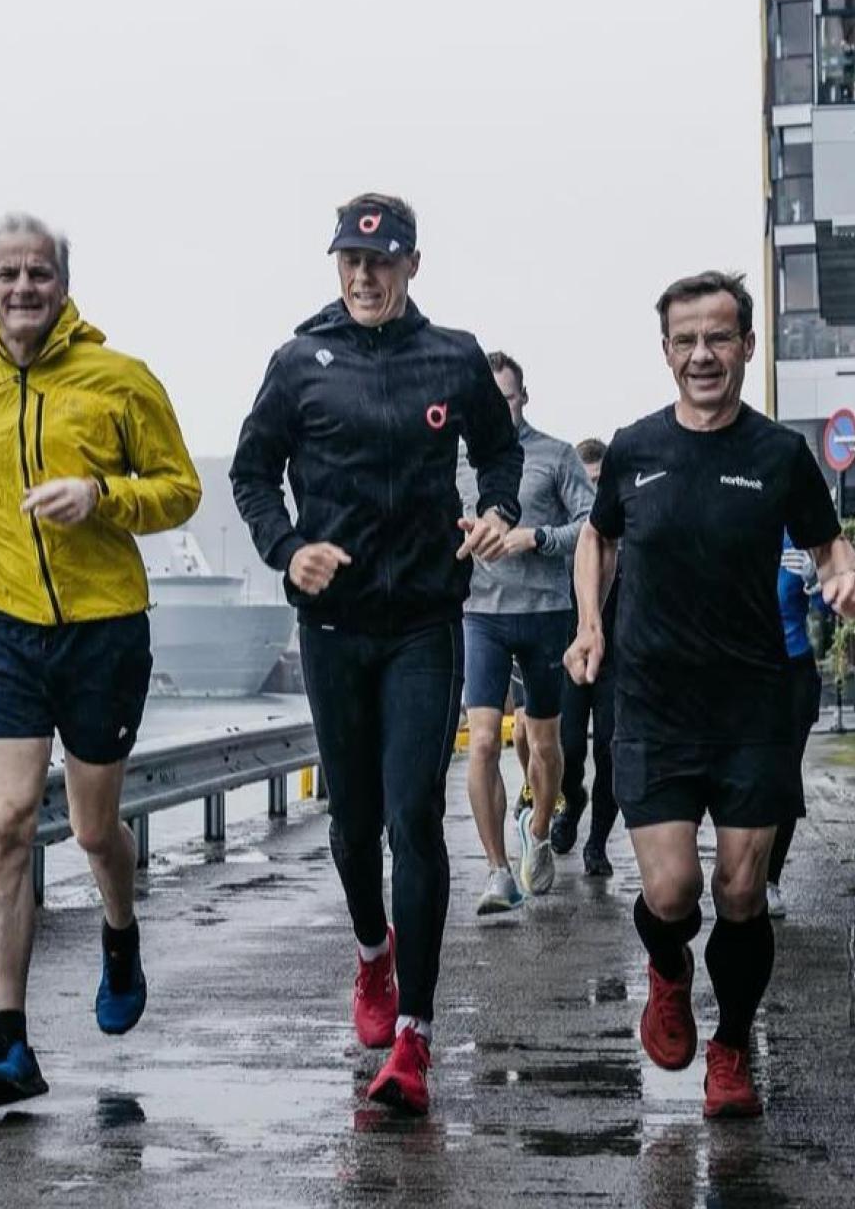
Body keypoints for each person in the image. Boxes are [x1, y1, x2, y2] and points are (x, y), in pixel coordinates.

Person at [232, 193, 522, 1114]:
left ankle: (417, 1036)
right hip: (332, 625)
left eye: (382, 261)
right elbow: (251, 472)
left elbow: (500, 453)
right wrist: (288, 549)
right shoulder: (297, 362)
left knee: (412, 822)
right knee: (353, 827)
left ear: (411, 265)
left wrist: (498, 512)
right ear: (336, 266)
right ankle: (372, 954)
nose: (364, 277)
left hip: (425, 624)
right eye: (351, 262)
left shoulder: (452, 356)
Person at [564, 270, 855, 1119]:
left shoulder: (778, 455)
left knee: (740, 892)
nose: (703, 354)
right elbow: (597, 540)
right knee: (672, 896)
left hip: (750, 709)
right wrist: (590, 625)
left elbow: (832, 549)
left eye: (719, 337)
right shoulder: (634, 448)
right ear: (666, 353)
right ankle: (667, 972)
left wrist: (849, 580)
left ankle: (731, 1046)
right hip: (652, 704)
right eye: (687, 340)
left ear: (746, 348)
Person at [0, 213, 202, 1110]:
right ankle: (9, 1042)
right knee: (3, 822)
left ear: (63, 284)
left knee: (89, 830)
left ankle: (120, 930)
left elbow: (180, 489)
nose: (24, 288)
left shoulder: (120, 379)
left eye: (39, 273)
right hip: (0, 624)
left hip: (103, 627)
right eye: (8, 274)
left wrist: (102, 495)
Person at [457, 352, 594, 912]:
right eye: (486, 401)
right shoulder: (457, 462)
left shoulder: (556, 455)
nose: (497, 409)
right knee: (484, 741)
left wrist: (537, 538)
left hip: (544, 613)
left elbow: (594, 523)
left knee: (544, 745)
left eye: (506, 399)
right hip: (480, 615)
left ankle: (538, 832)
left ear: (523, 399)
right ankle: (497, 872)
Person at [764, 533, 827, 918]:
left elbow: (829, 609)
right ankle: (741, 872)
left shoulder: (797, 537)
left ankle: (770, 880)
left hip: (794, 673)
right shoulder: (737, 527)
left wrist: (814, 581)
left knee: (784, 775)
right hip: (749, 670)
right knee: (750, 774)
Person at [568, 437, 621, 876]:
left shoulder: (626, 530)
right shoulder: (573, 534)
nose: (595, 491)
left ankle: (597, 842)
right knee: (567, 748)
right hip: (569, 653)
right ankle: (571, 801)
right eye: (588, 482)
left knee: (610, 750)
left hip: (619, 658)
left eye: (602, 481)